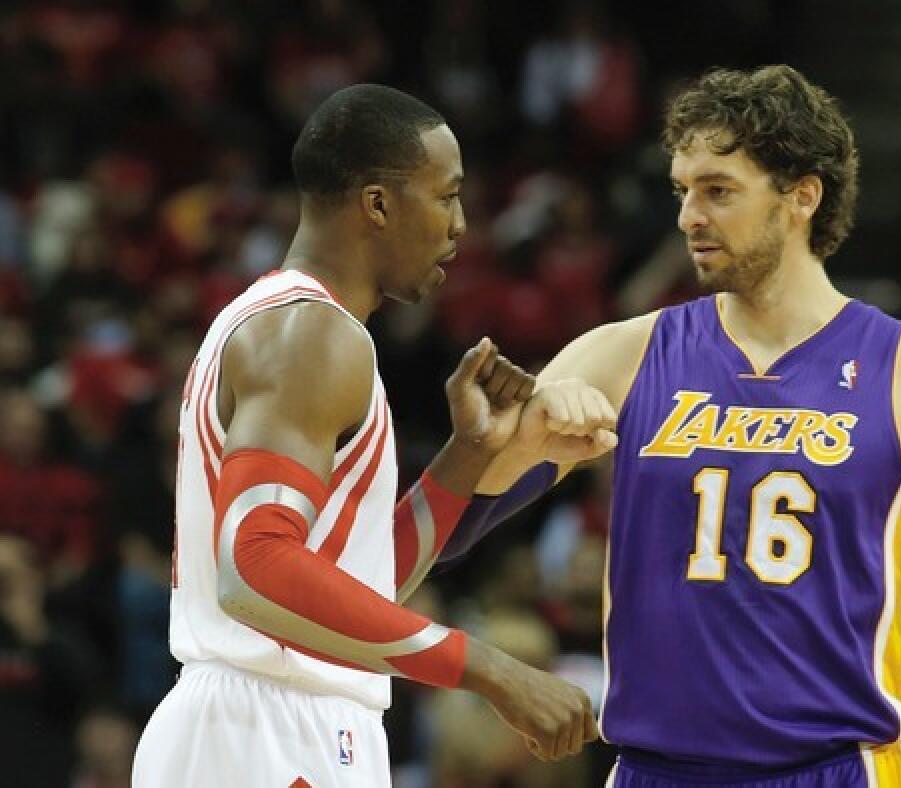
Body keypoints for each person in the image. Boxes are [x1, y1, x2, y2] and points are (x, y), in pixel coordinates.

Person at [455, 65, 901, 786]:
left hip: (834, 768)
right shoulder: (618, 355)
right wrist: (497, 450)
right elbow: (446, 537)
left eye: (718, 190)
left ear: (802, 196)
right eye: (683, 190)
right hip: (653, 769)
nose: (688, 216)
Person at [132, 84, 614, 787]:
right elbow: (256, 566)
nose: (461, 224)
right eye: (446, 196)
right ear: (378, 204)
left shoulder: (310, 329)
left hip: (287, 722)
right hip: (265, 730)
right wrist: (492, 670)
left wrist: (467, 455)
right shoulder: (312, 333)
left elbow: (355, 583)